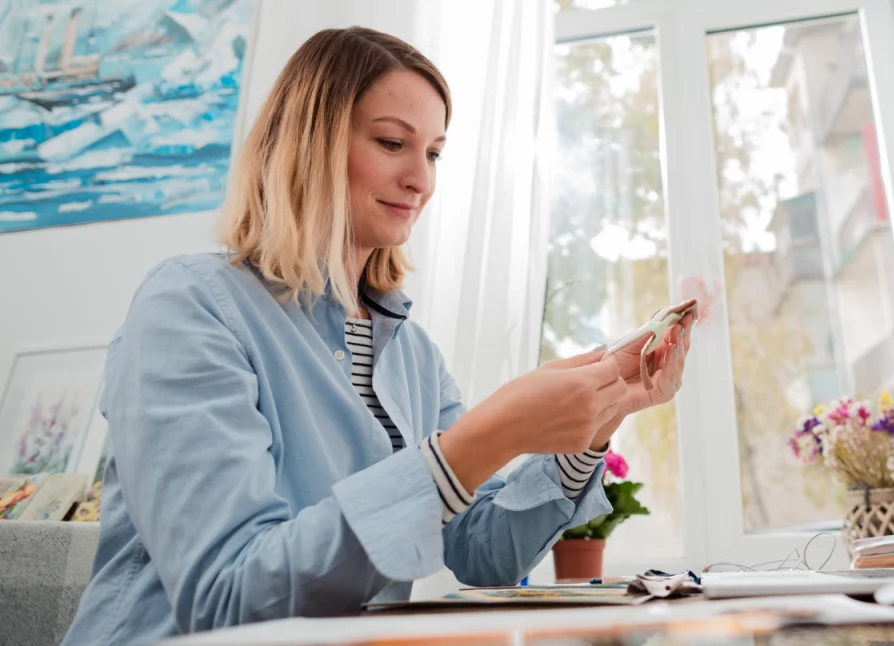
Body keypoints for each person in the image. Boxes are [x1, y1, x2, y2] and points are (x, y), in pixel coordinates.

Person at [61, 27, 693, 646]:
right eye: (393, 143)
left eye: (434, 153)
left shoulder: (412, 354)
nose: (423, 180)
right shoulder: (191, 306)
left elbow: (484, 553)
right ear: (309, 145)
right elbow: (230, 599)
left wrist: (599, 416)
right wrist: (483, 440)